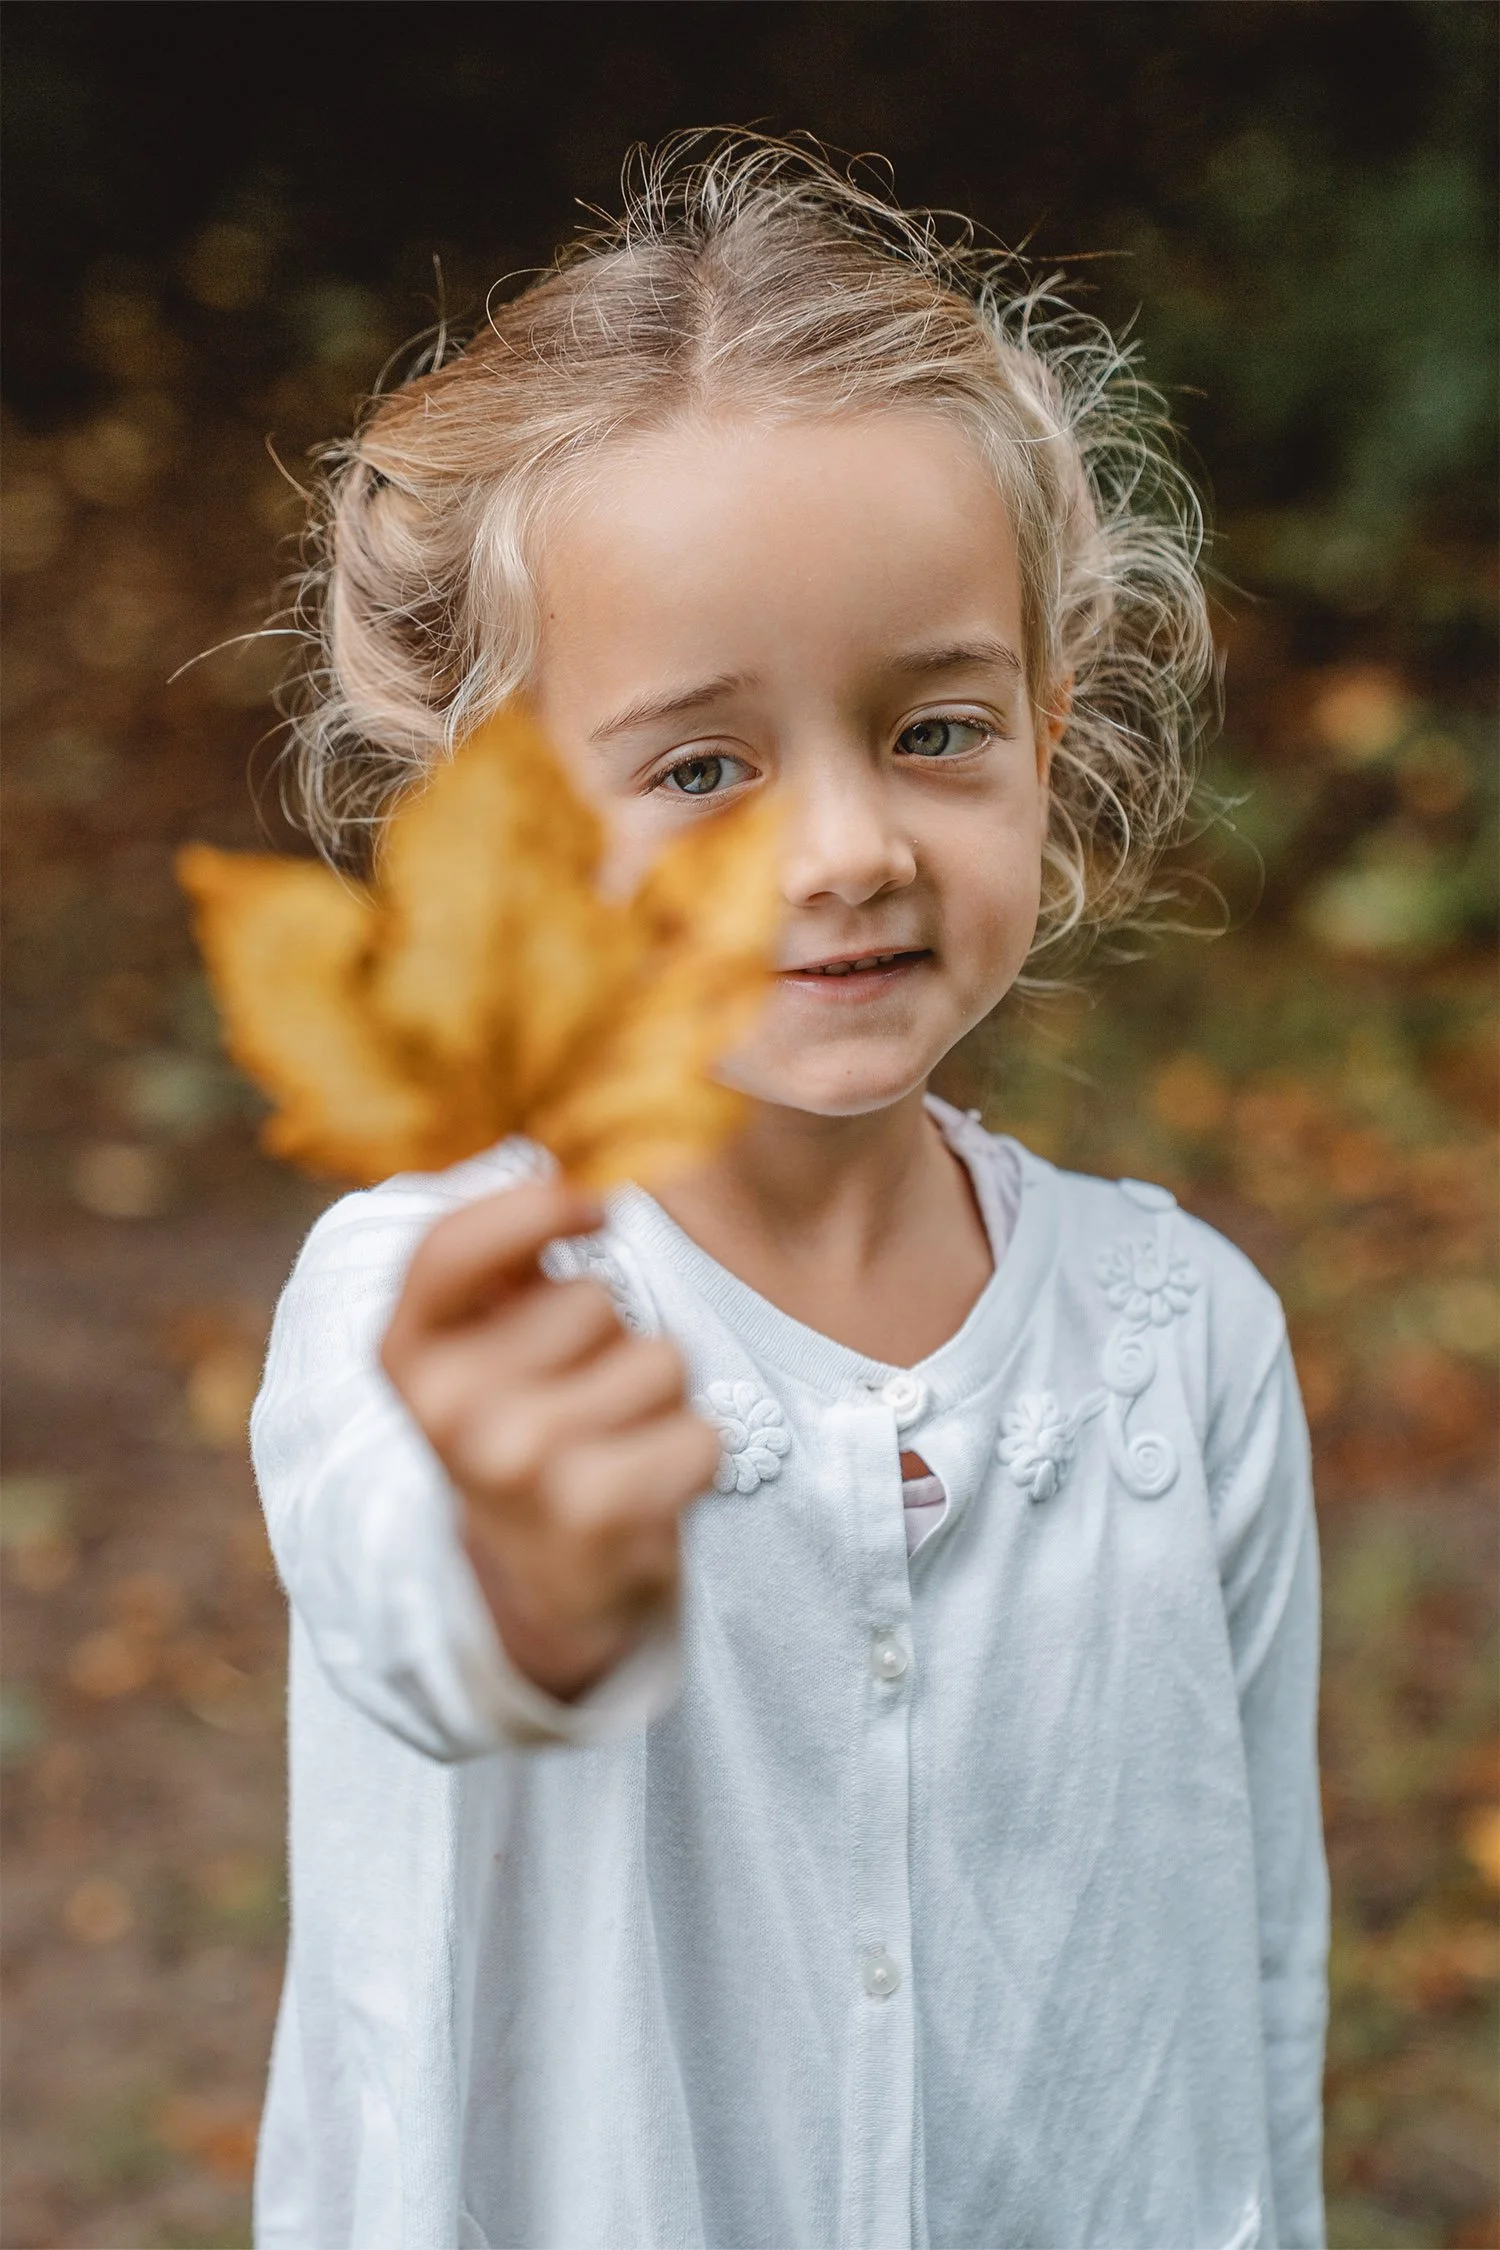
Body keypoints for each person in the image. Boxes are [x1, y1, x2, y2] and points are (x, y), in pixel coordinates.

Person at [250, 135, 1328, 2250]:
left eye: (934, 728)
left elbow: (1256, 1965)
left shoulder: (1182, 1340)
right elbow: (424, 1608)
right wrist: (534, 1583)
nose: (840, 849)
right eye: (703, 767)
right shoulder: (440, 1304)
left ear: (1054, 729)